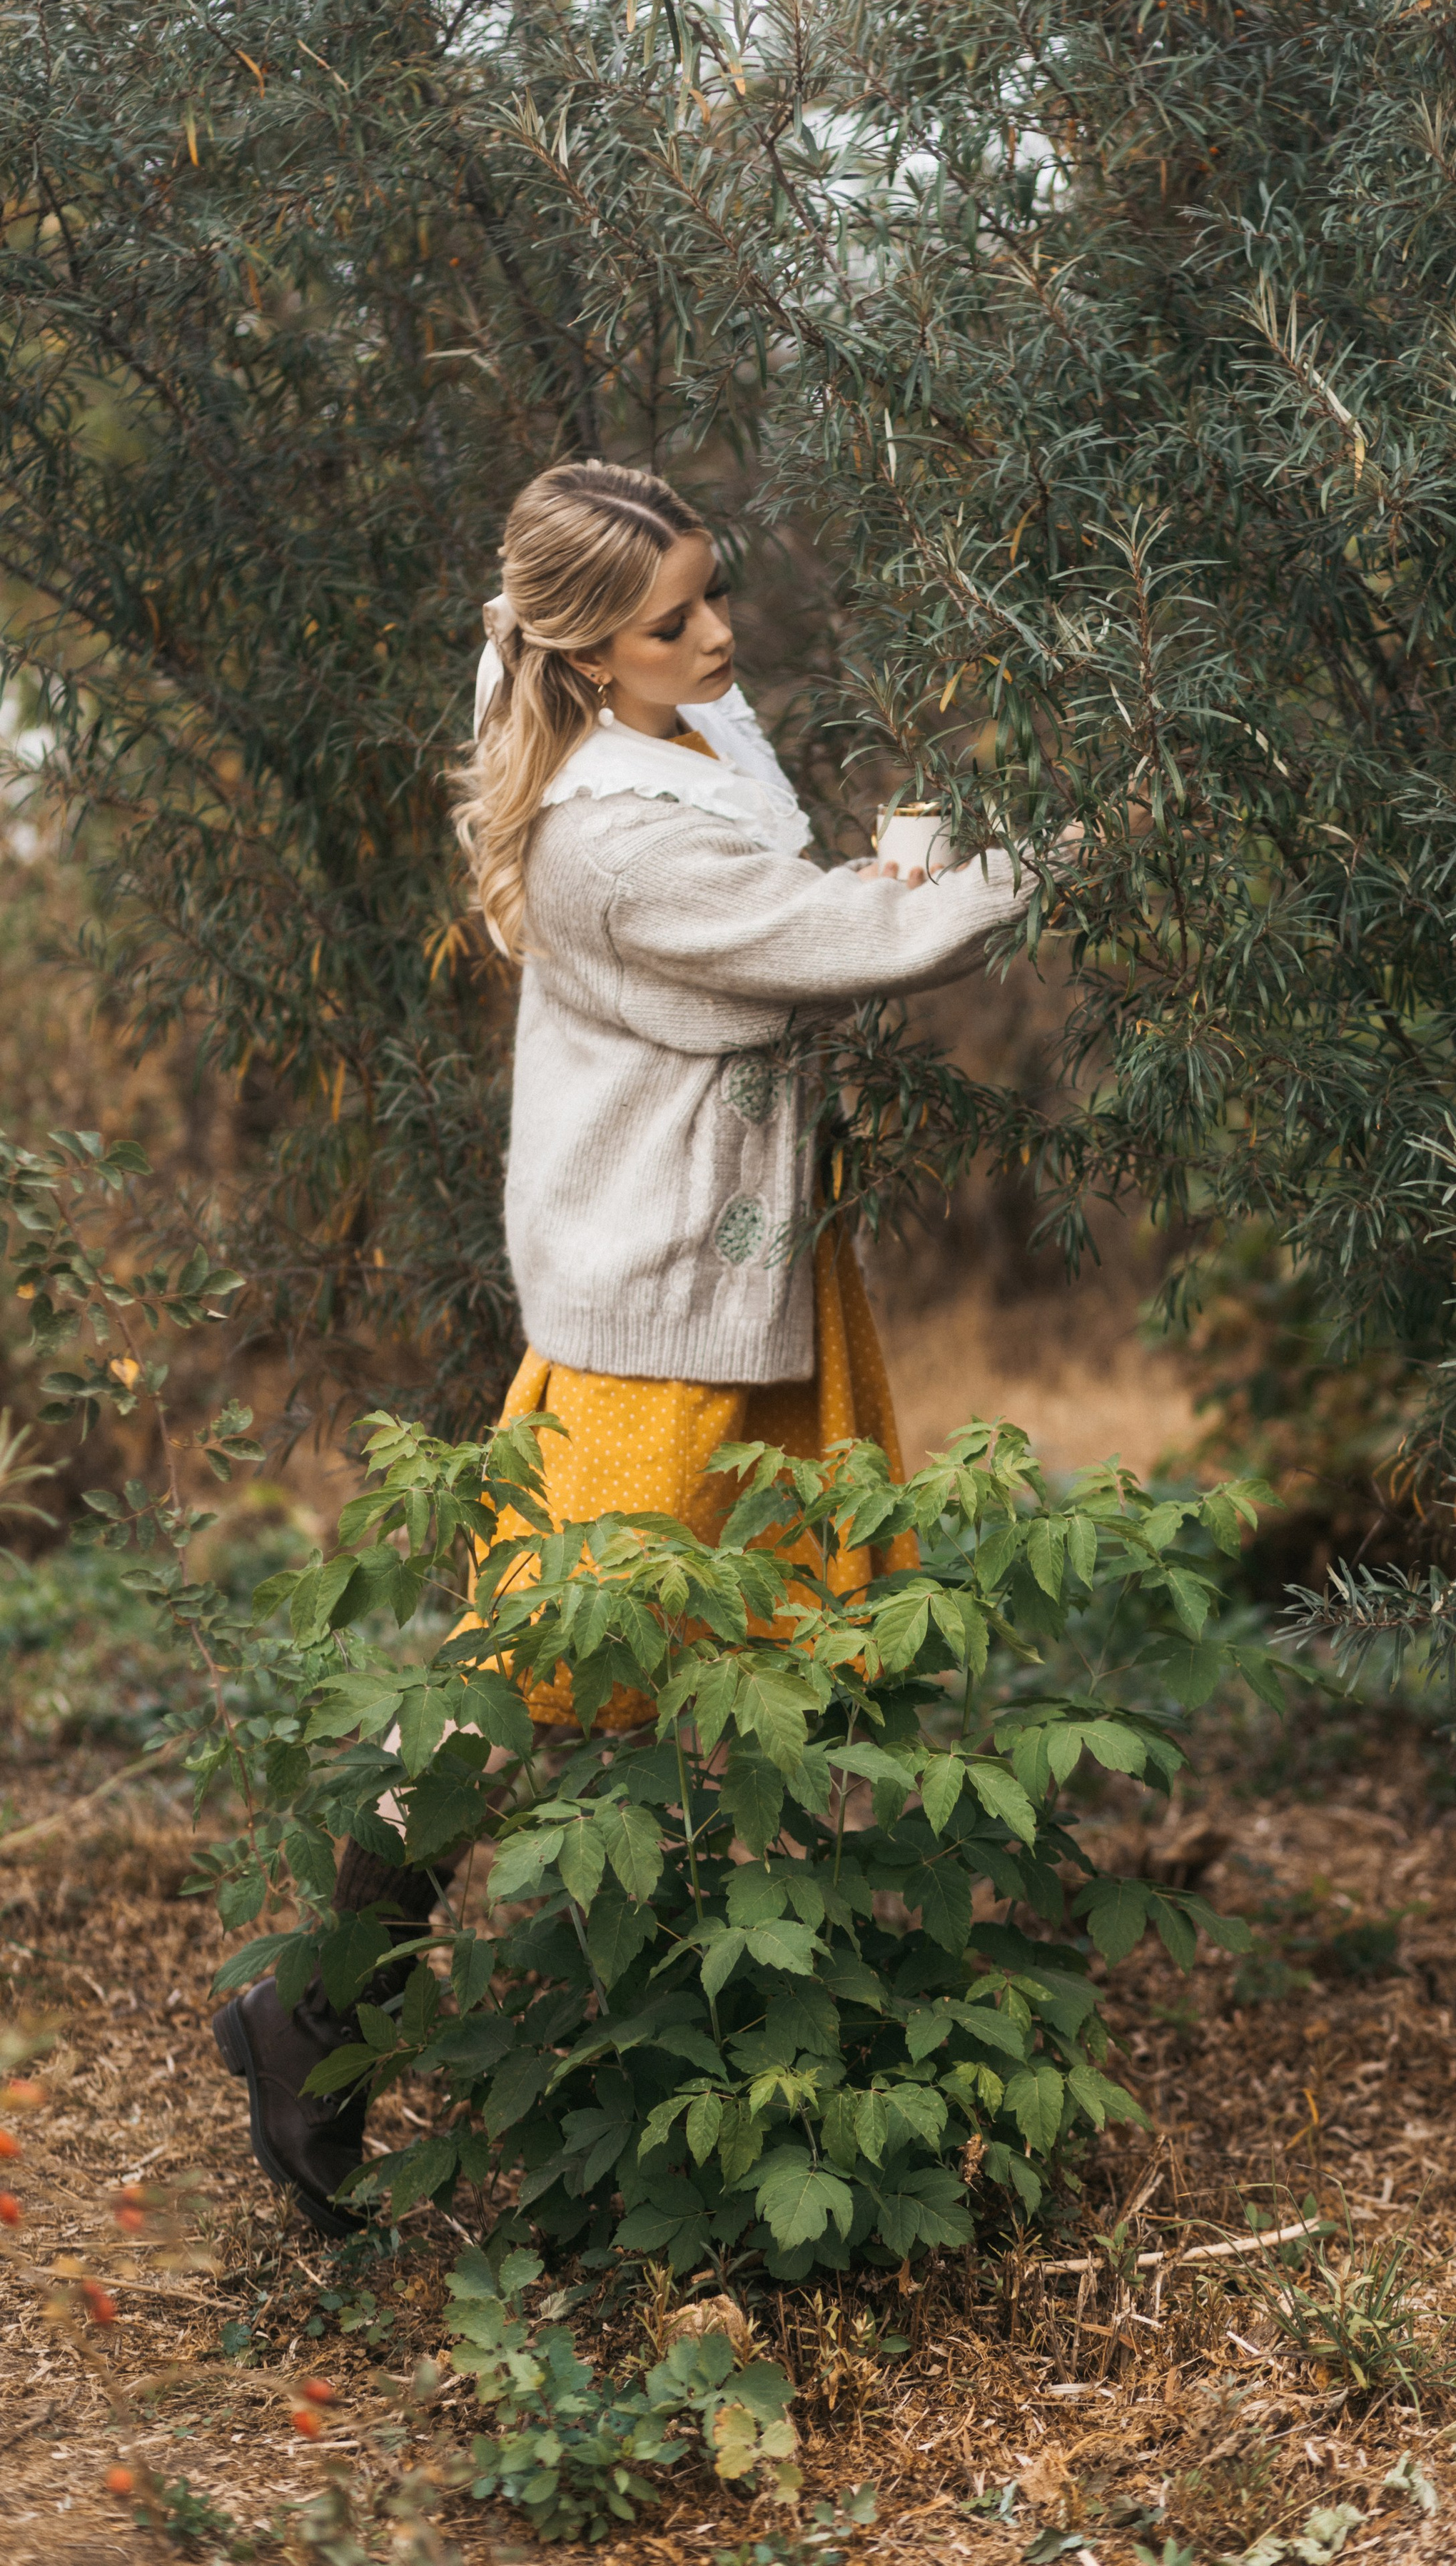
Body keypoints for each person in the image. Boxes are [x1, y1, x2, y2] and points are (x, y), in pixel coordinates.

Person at [213, 460, 1031, 2233]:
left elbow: (799, 887)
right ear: (587, 650)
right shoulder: (606, 835)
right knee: (536, 1664)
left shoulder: (693, 741)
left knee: (803, 1611)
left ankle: (748, 2030)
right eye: (676, 618)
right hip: (657, 1294)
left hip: (736, 1263)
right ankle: (316, 2011)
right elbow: (825, 939)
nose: (721, 631)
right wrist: (1022, 853)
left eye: (713, 590)